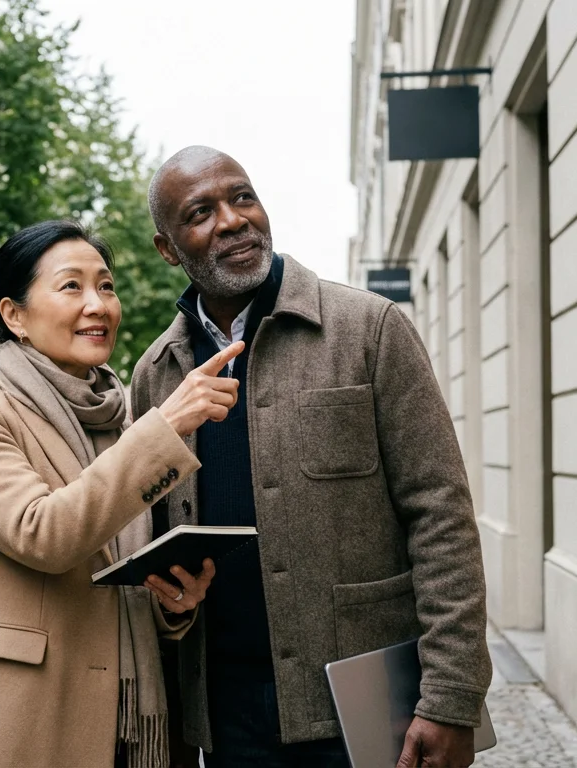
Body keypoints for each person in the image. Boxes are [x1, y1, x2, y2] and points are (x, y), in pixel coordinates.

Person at [130, 147, 492, 768]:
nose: (233, 219)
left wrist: (451, 697)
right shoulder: (155, 376)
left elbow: (441, 516)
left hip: (367, 706)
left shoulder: (369, 329)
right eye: (201, 212)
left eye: (242, 197)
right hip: (222, 715)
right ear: (169, 250)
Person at [0, 220, 244, 768]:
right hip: (16, 720)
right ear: (13, 314)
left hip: (125, 723)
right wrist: (165, 429)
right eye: (72, 286)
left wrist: (172, 605)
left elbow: (121, 566)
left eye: (106, 286)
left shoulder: (122, 419)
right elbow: (43, 533)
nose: (98, 304)